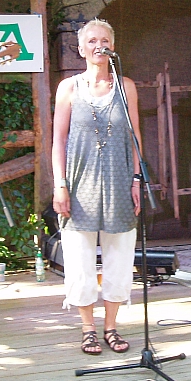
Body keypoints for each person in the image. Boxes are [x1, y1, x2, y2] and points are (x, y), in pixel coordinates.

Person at [51, 19, 141, 355]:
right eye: (91, 40)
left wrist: (136, 178)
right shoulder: (69, 88)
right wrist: (60, 184)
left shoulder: (125, 86)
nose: (98, 45)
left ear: (112, 47)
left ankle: (111, 327)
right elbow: (58, 140)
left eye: (104, 40)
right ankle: (88, 327)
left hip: (119, 182)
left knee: (120, 257)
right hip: (79, 184)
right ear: (81, 49)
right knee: (80, 259)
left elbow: (135, 136)